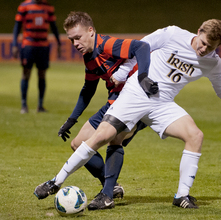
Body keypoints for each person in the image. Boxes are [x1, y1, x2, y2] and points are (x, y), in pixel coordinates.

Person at [35, 18, 221, 209]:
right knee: (101, 137)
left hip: (163, 103)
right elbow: (140, 47)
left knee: (195, 136)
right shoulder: (173, 34)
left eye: (210, 47)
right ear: (198, 31)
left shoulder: (213, 63)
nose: (203, 49)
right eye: (202, 43)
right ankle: (56, 181)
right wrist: (122, 74)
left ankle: (181, 196)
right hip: (136, 93)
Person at [34, 11, 152, 210]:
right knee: (78, 143)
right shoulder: (89, 57)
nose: (75, 43)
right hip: (114, 102)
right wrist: (72, 119)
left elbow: (142, 47)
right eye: (71, 40)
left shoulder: (107, 45)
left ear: (91, 31)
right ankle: (111, 186)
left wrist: (143, 77)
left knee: (113, 140)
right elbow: (88, 89)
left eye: (78, 38)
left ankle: (106, 195)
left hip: (136, 103)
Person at [12, 0, 61, 114]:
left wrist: (58, 43)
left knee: (42, 74)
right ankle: (24, 105)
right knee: (26, 73)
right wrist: (14, 44)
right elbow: (17, 27)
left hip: (43, 46)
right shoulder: (24, 6)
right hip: (28, 45)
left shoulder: (48, 7)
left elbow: (54, 26)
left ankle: (40, 105)